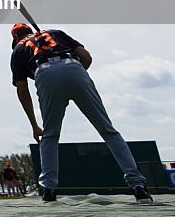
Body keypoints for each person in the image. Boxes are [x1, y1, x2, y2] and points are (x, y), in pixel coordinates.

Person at [10, 23, 153, 203]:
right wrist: (75, 77)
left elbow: (22, 89)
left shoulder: (18, 49)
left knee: (50, 136)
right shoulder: (55, 32)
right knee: (108, 131)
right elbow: (86, 56)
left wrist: (34, 124)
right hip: (73, 66)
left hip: (44, 73)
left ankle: (49, 191)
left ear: (15, 37)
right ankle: (138, 186)